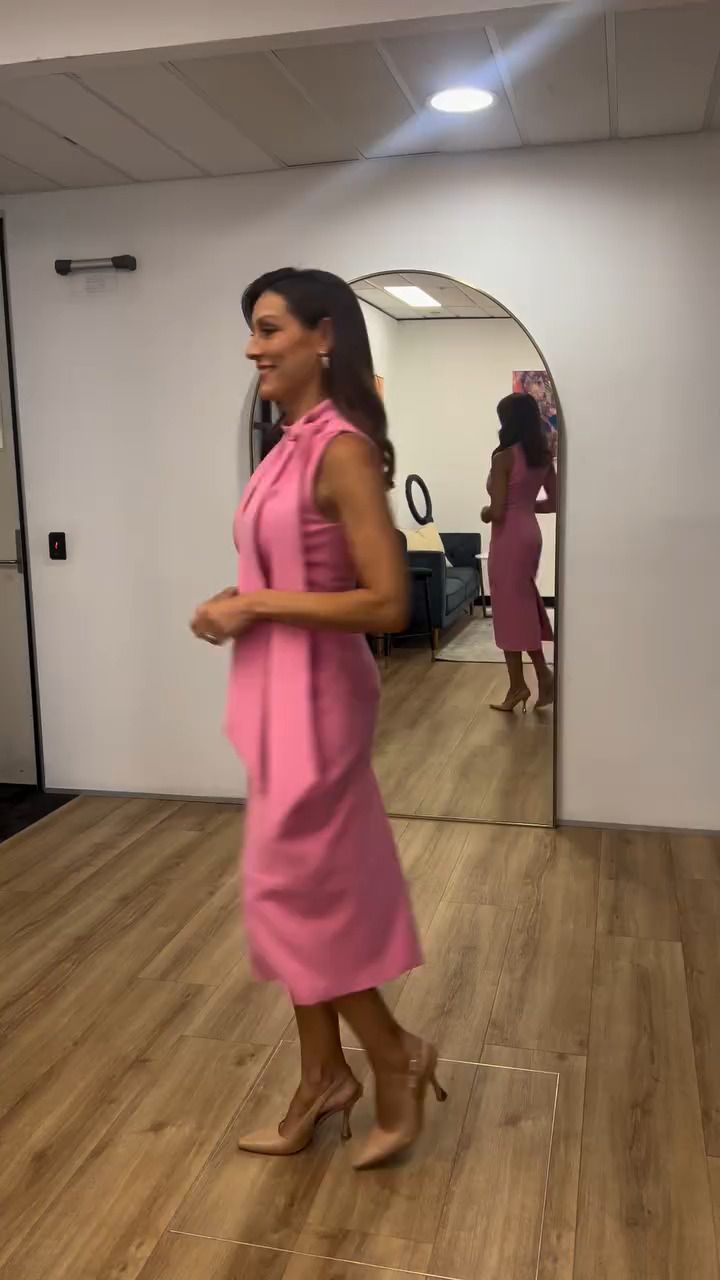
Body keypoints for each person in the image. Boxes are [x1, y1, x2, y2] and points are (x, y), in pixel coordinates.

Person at [190, 267, 445, 1171]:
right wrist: (241, 598)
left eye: (269, 329)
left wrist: (256, 605)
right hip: (278, 696)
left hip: (319, 702)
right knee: (291, 895)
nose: (252, 347)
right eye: (253, 330)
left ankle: (392, 1056)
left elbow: (385, 603)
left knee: (294, 898)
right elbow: (292, 570)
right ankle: (322, 1076)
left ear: (323, 335)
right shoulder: (288, 446)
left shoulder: (340, 449)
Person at [481, 391, 557, 712]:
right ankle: (538, 678)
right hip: (530, 534)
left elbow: (497, 511)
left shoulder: (503, 458)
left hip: (508, 537)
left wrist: (485, 512)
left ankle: (520, 686)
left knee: (507, 608)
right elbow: (554, 502)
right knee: (522, 604)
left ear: (508, 421)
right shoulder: (542, 456)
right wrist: (525, 506)